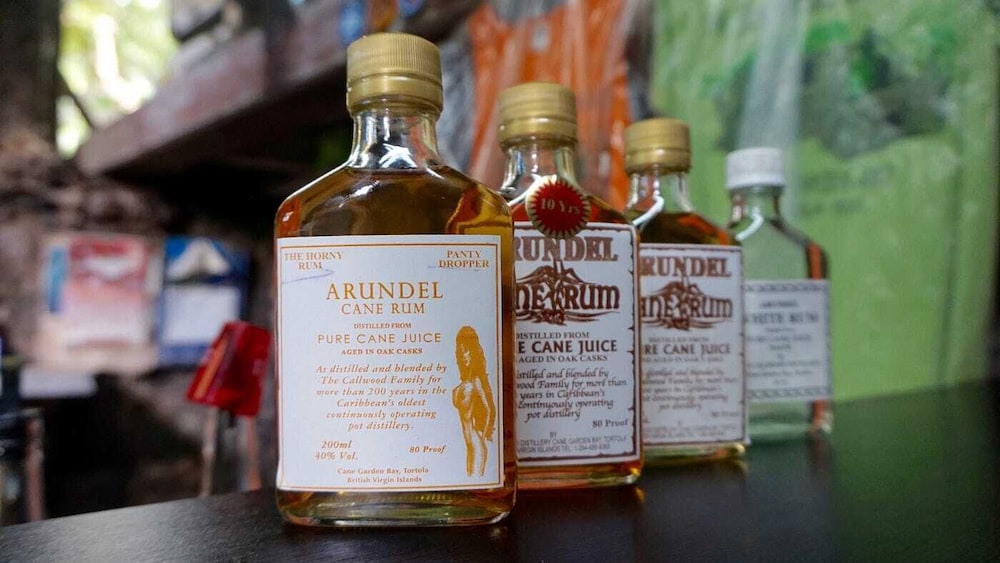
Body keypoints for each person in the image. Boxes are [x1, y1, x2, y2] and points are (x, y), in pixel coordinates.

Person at [452, 326, 496, 477]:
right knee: (468, 477)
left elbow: (490, 409)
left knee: (475, 478)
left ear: (473, 351)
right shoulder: (464, 383)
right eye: (460, 351)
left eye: (466, 350)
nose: (463, 355)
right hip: (469, 446)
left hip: (476, 444)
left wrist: (484, 435)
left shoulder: (476, 381)